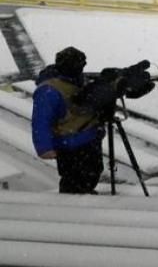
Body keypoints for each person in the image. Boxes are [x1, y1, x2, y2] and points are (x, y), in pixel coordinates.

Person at [32, 47, 106, 193]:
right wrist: (44, 148)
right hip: (69, 143)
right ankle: (73, 207)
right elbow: (41, 120)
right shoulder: (49, 90)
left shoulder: (76, 80)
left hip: (88, 137)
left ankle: (84, 196)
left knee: (92, 173)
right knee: (74, 180)